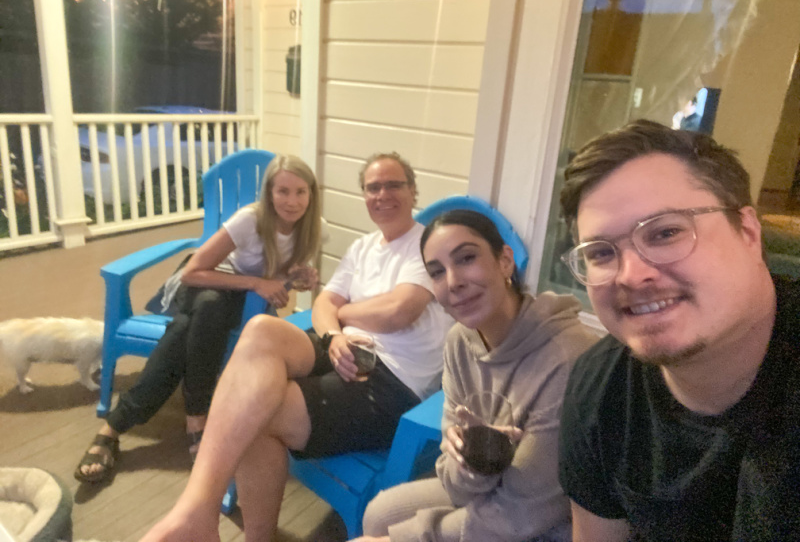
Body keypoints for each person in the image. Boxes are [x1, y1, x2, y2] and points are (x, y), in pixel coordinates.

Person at [140, 152, 452, 542]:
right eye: (373, 187)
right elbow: (324, 304)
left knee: (255, 415)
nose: (383, 194)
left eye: (394, 185)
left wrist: (346, 313)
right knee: (262, 329)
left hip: (391, 380)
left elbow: (398, 311)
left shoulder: (428, 244)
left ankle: (223, 528)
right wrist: (333, 334)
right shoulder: (363, 247)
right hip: (342, 349)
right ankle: (196, 512)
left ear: (413, 191)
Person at [557, 120, 800, 541]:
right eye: (600, 253)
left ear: (747, 231)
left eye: (666, 232)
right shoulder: (600, 389)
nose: (631, 276)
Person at [74, 154, 323, 484]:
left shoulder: (312, 229)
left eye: (300, 192)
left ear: (311, 194)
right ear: (269, 193)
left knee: (187, 326)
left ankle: (113, 427)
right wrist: (257, 282)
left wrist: (295, 277)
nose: (292, 201)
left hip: (235, 299)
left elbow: (276, 272)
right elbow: (193, 273)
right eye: (283, 191)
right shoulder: (250, 219)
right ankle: (196, 418)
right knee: (207, 305)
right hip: (207, 281)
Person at [353, 210, 597, 542]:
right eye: (437, 272)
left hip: (558, 519)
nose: (453, 282)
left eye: (466, 258)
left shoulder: (567, 358)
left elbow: (523, 513)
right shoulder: (459, 343)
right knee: (380, 514)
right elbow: (452, 475)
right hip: (495, 490)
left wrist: (406, 538)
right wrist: (471, 465)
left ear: (505, 261)